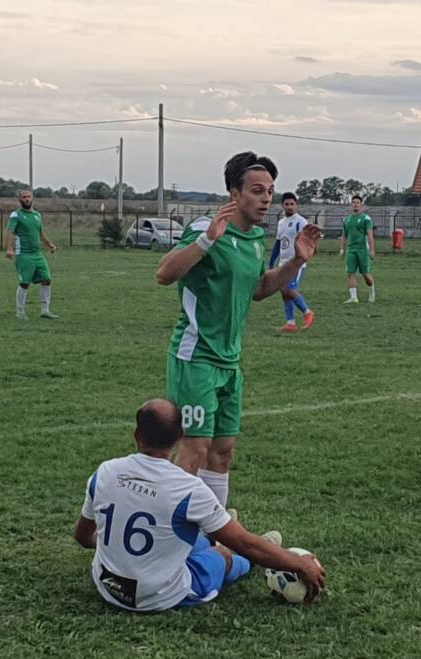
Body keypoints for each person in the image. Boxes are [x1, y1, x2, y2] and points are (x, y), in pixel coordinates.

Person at [155, 151, 323, 509]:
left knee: (223, 452)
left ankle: (211, 530)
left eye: (270, 192)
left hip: (230, 362)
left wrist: (296, 261)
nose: (266, 199)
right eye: (257, 191)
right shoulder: (206, 228)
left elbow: (259, 289)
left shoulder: (255, 238)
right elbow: (164, 273)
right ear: (235, 194)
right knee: (195, 449)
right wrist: (206, 241)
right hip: (196, 358)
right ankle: (170, 531)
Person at [73, 399, 326, 611]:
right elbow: (246, 543)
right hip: (157, 597)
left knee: (198, 542)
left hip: (107, 587)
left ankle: (225, 541)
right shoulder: (187, 488)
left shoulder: (105, 472)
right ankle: (248, 561)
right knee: (223, 554)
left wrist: (117, 546)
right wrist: (298, 563)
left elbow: (83, 536)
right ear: (180, 437)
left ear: (137, 434)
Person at [5, 188, 58, 320]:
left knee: (47, 280)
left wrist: (50, 244)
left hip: (37, 254)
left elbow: (40, 233)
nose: (27, 199)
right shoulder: (16, 215)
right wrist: (9, 249)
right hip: (24, 254)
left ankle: (45, 310)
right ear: (19, 199)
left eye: (28, 196)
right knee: (25, 283)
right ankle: (20, 312)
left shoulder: (37, 215)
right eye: (24, 197)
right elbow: (10, 231)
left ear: (32, 198)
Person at [270, 192, 315, 332]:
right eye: (286, 204)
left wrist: (302, 257)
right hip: (283, 262)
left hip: (296, 263)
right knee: (284, 292)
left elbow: (307, 242)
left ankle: (307, 312)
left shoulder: (301, 222)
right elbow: (278, 243)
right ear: (282, 205)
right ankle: (291, 323)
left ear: (296, 205)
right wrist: (271, 262)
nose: (289, 207)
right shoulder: (281, 222)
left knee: (288, 289)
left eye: (292, 204)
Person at [340, 195, 375, 303]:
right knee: (351, 272)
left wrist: (372, 250)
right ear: (351, 205)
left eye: (357, 203)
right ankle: (353, 297)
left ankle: (371, 289)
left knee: (365, 274)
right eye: (353, 202)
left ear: (361, 205)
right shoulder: (347, 220)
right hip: (351, 250)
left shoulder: (366, 219)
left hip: (363, 249)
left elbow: (370, 235)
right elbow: (344, 236)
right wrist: (342, 249)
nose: (355, 204)